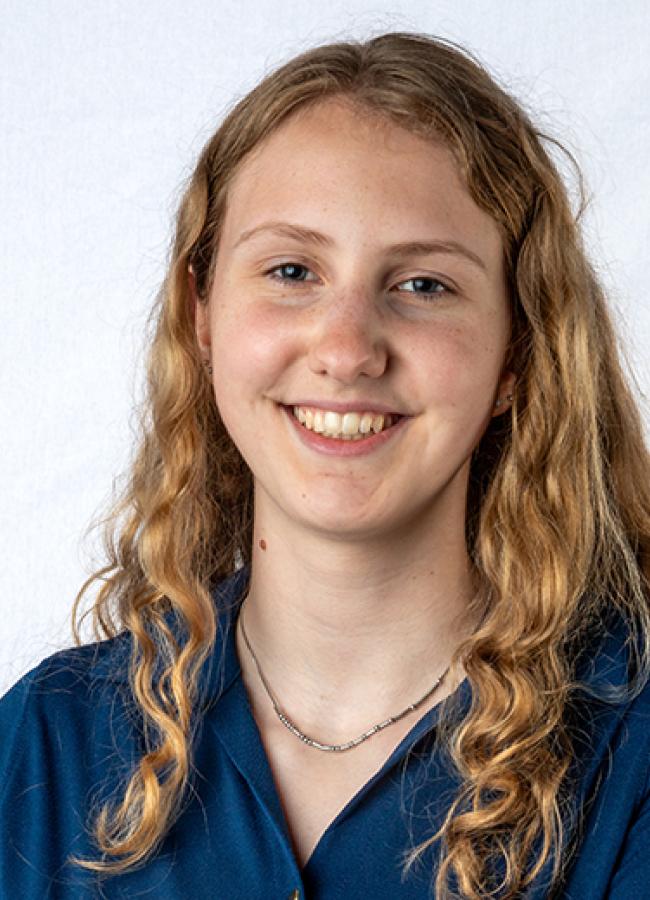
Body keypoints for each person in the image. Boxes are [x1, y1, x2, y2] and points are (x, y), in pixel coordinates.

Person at [1, 31, 649, 900]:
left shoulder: (630, 752)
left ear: (516, 352)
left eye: (424, 284)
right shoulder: (48, 746)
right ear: (203, 316)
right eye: (293, 270)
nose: (347, 350)